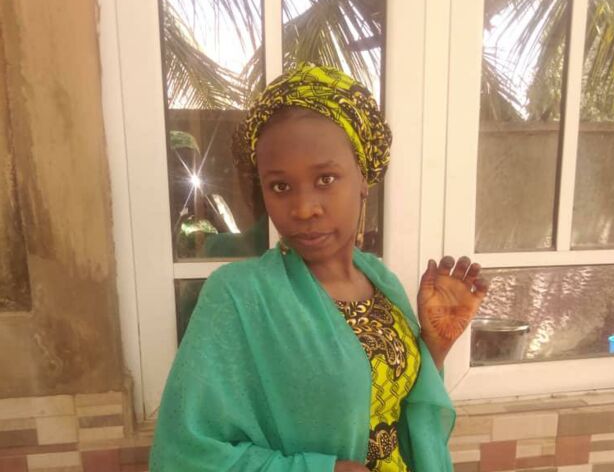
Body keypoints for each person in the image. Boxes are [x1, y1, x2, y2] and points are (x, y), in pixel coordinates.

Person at [150, 63, 488, 472]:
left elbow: (397, 409)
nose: (304, 208)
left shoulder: (381, 283)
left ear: (363, 178)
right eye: (280, 186)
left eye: (325, 179)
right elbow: (183, 453)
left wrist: (433, 346)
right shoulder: (240, 297)